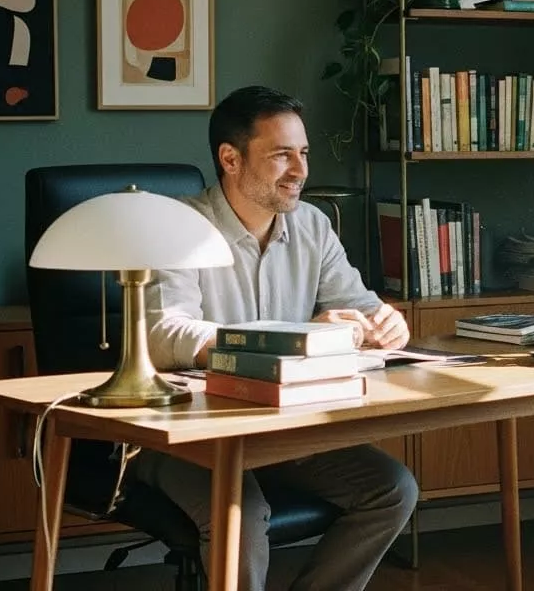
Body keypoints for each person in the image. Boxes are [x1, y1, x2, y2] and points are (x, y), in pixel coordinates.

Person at [141, 85, 417, 591]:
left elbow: (358, 304)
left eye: (304, 153)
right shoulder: (178, 228)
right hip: (186, 435)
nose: (301, 170)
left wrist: (383, 321)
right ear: (230, 158)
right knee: (240, 514)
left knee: (392, 488)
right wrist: (303, 337)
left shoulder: (311, 225)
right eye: (281, 155)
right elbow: (166, 335)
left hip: (282, 429)